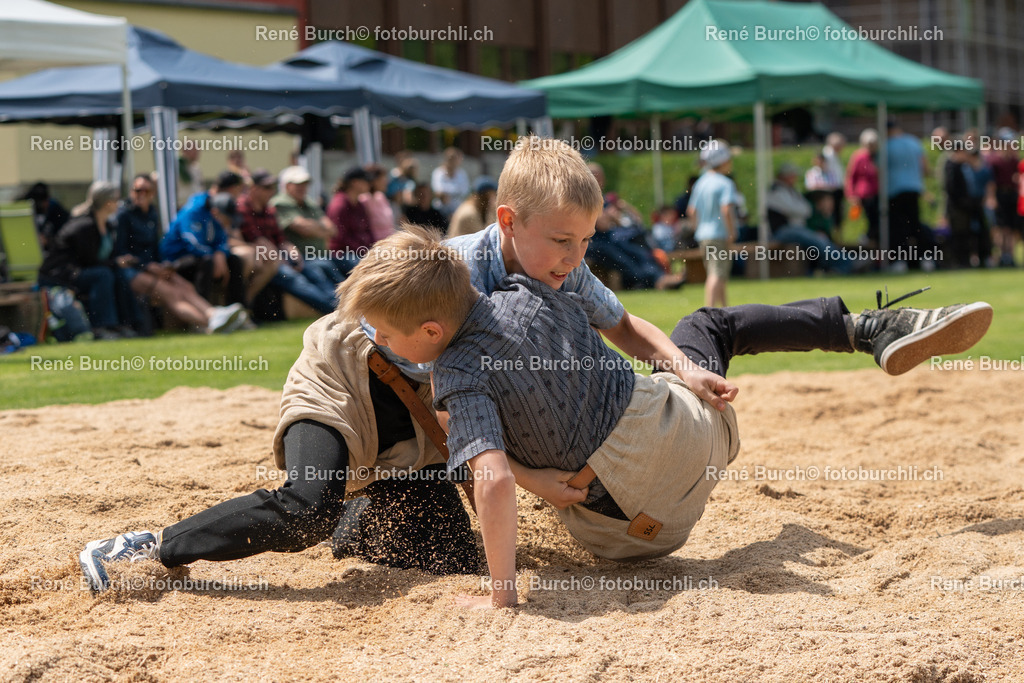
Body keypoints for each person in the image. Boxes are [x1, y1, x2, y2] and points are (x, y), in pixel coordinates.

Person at [78, 135, 989, 596]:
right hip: (353, 380)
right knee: (307, 503)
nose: (574, 260)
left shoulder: (550, 267)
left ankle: (368, 511)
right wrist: (542, 482)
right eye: (564, 244)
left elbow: (621, 320)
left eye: (584, 243)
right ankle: (151, 547)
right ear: (509, 225)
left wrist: (682, 365)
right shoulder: (467, 279)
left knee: (435, 559)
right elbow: (396, 336)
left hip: (427, 426)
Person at [338, 225, 993, 609]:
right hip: (695, 440)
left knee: (487, 447)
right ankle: (868, 327)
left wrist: (504, 596)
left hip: (637, 539)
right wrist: (683, 367)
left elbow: (495, 480)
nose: (383, 346)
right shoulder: (535, 286)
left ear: (431, 326)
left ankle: (875, 327)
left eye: (389, 335)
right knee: (709, 325)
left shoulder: (452, 373)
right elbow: (622, 325)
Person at [113, 174, 247, 334]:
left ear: (153, 193)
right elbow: (120, 252)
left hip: (153, 267)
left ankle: (214, 314)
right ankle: (209, 324)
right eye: (137, 190)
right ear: (131, 191)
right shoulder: (124, 215)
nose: (141, 194)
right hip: (131, 271)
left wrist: (163, 266)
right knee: (172, 294)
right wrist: (146, 266)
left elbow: (155, 248)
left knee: (186, 287)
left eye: (146, 190)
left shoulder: (152, 214)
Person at [237, 169, 338, 314]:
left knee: (315, 271)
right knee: (297, 281)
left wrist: (293, 253)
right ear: (254, 189)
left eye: (272, 187)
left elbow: (281, 240)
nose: (271, 191)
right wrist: (281, 259)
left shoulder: (269, 210)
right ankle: (334, 311)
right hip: (264, 259)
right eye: (266, 188)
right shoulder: (243, 207)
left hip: (278, 256)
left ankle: (341, 306)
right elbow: (257, 240)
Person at [37, 181, 129, 340]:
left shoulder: (108, 225)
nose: (118, 203)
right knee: (103, 275)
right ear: (106, 202)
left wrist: (118, 262)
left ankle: (126, 324)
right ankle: (101, 327)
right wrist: (115, 263)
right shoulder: (83, 226)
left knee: (119, 274)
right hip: (59, 275)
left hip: (81, 271)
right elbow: (88, 260)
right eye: (116, 199)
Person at [160, 189, 247, 307]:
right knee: (207, 261)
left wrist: (220, 253)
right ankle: (205, 314)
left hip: (202, 256)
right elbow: (193, 244)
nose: (229, 223)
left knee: (234, 260)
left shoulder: (213, 214)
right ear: (216, 212)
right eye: (228, 219)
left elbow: (222, 239)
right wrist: (214, 255)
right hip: (175, 260)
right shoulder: (191, 212)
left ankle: (238, 308)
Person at [766, 162, 855, 274]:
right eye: (792, 175)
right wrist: (800, 211)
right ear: (784, 176)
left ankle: (837, 264)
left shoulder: (790, 190)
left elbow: (806, 209)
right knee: (815, 240)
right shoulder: (775, 191)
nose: (794, 178)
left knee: (819, 238)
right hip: (782, 231)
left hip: (796, 228)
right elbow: (801, 210)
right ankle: (842, 264)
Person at [271, 165, 347, 279]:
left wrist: (312, 227)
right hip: (300, 258)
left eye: (305, 184)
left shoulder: (308, 201)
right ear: (287, 186)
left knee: (351, 265)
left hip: (321, 257)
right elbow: (304, 229)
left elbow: (332, 230)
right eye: (298, 184)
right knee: (333, 284)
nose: (303, 187)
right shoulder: (281, 202)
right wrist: (320, 228)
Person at [688, 141, 737, 308]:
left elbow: (691, 211)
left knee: (717, 273)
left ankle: (725, 309)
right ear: (723, 161)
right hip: (719, 234)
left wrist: (698, 229)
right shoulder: (725, 183)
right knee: (716, 274)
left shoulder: (700, 182)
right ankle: (708, 312)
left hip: (704, 235)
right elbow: (726, 210)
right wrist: (732, 232)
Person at [886, 119, 928, 271]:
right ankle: (923, 259)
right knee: (915, 226)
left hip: (894, 191)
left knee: (898, 227)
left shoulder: (886, 145)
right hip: (914, 188)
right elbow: (924, 166)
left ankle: (899, 261)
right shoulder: (913, 141)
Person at [987, 129, 1021, 267]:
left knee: (1011, 228)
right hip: (1000, 194)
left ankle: (1010, 255)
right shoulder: (994, 160)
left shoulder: (1014, 160)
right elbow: (991, 182)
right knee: (1001, 227)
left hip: (1012, 194)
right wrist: (991, 197)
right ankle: (1001, 255)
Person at [326, 168, 375, 261]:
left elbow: (368, 230)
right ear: (355, 182)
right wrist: (365, 251)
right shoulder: (339, 205)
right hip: (342, 254)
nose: (370, 184)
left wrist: (374, 248)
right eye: (366, 181)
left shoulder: (359, 204)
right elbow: (340, 237)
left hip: (359, 252)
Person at [846, 129, 880, 246]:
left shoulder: (878, 156)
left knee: (879, 221)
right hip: (865, 194)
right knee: (873, 221)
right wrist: (851, 194)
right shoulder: (859, 156)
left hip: (879, 193)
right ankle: (866, 239)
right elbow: (851, 176)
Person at [20, 181, 68, 256]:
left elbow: (65, 230)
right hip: (26, 249)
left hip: (51, 250)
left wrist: (49, 240)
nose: (46, 203)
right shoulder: (22, 210)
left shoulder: (54, 208)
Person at [430, 147, 470, 218]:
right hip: (440, 210)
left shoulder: (462, 174)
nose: (452, 161)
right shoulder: (438, 173)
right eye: (450, 158)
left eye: (455, 158)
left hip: (458, 211)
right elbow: (438, 191)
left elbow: (465, 192)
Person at [362, 165, 396, 243]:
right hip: (374, 245)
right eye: (382, 179)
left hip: (389, 242)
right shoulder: (364, 200)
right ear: (373, 181)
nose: (386, 181)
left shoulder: (381, 196)